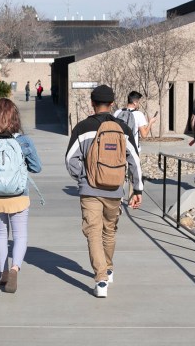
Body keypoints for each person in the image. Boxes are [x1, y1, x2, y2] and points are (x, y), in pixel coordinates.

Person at [65, 85, 143, 298]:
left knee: (93, 232)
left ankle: (101, 279)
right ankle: (107, 268)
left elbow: (70, 159)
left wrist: (84, 177)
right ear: (112, 104)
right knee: (110, 230)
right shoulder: (123, 128)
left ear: (92, 103)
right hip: (115, 189)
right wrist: (137, 188)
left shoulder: (83, 128)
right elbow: (134, 160)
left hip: (90, 189)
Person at [0, 98, 42, 293]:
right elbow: (37, 167)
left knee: (1, 234)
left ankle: (3, 271)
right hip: (19, 194)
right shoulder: (24, 141)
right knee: (20, 234)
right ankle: (15, 268)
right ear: (15, 119)